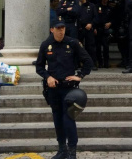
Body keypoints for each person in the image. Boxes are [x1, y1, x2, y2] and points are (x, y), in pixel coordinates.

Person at [35, 18, 93, 159]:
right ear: (52, 29)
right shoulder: (46, 45)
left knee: (68, 120)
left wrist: (80, 75)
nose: (61, 31)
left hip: (69, 89)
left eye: (63, 28)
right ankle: (62, 150)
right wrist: (47, 77)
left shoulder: (72, 43)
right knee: (57, 120)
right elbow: (39, 67)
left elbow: (88, 61)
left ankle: (72, 151)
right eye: (58, 28)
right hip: (53, 89)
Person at [77, 0, 98, 70]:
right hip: (80, 29)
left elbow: (96, 18)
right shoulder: (77, 6)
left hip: (89, 29)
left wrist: (91, 24)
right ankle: (79, 63)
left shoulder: (92, 6)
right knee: (79, 47)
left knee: (91, 47)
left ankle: (92, 63)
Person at [96, 0, 113, 68]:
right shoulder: (97, 7)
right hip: (98, 29)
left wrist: (110, 23)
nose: (104, 0)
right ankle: (100, 62)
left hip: (106, 30)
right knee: (98, 47)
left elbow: (113, 18)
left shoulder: (110, 8)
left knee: (106, 47)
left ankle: (106, 63)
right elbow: (95, 18)